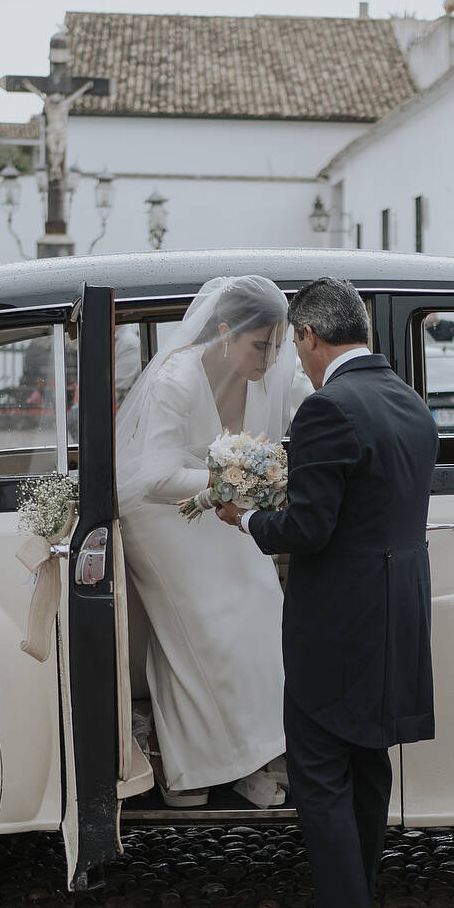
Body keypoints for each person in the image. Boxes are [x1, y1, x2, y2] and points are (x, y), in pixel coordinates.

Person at [215, 277, 440, 908]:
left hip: (338, 621)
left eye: (298, 346)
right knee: (368, 771)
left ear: (311, 337)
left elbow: (308, 529)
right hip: (397, 610)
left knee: (320, 780)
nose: (297, 361)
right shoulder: (408, 401)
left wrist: (246, 519)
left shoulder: (328, 410)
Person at [112, 276, 309, 809]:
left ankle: (251, 756)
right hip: (158, 516)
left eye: (278, 344)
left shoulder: (271, 372)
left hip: (222, 509)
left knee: (265, 607)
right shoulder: (176, 379)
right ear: (225, 332)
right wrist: (239, 483)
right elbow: (155, 476)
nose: (270, 358)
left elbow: (314, 405)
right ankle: (189, 766)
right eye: (260, 346)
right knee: (199, 630)